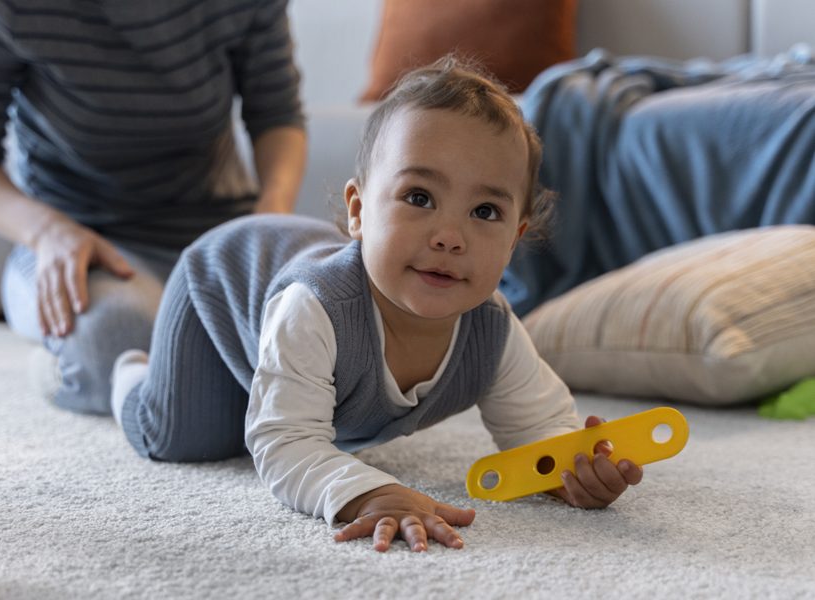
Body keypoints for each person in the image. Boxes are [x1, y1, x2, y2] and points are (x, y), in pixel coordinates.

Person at [109, 58, 644, 552]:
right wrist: (368, 494)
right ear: (359, 211)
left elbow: (540, 429)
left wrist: (570, 471)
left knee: (267, 411)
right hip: (221, 289)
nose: (450, 236)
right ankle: (130, 371)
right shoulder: (316, 307)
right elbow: (285, 441)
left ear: (514, 239)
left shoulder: (492, 329)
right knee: (186, 437)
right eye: (419, 198)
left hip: (280, 312)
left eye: (484, 211)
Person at [0, 0, 307, 414]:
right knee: (123, 343)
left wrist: (272, 217)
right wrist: (47, 232)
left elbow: (278, 114)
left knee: (332, 328)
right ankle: (65, 365)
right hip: (84, 243)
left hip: (218, 233)